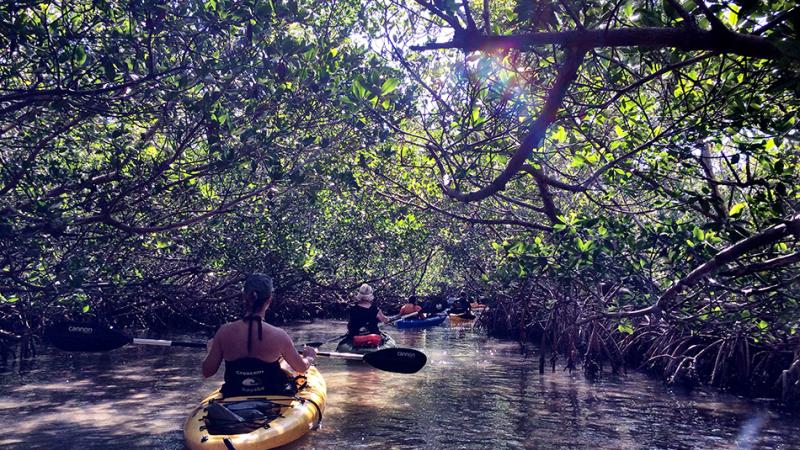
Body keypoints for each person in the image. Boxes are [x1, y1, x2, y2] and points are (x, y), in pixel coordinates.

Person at [202, 273, 317, 397]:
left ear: (244, 297)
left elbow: (207, 372)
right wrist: (309, 357)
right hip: (272, 395)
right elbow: (301, 368)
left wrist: (211, 350)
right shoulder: (279, 335)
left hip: (233, 394)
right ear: (269, 300)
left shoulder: (223, 332)